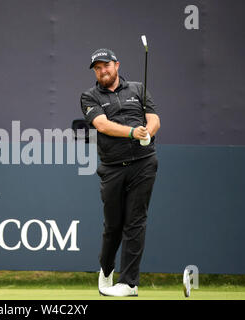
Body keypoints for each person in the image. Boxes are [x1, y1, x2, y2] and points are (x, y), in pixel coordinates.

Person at [80, 48, 160, 297]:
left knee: (135, 222)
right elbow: (101, 125)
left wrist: (148, 131)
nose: (102, 71)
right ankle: (106, 269)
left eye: (106, 66)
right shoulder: (89, 96)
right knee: (113, 225)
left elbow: (154, 118)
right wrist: (131, 132)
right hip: (113, 167)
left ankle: (129, 284)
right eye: (97, 68)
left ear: (117, 65)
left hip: (143, 163)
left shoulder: (138, 89)